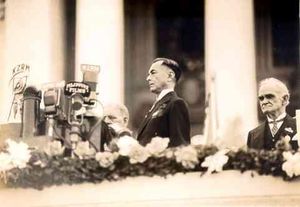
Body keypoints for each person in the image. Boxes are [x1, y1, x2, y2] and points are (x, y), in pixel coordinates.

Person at [137, 58, 190, 147]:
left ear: (170, 76)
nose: (148, 78)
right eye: (148, 74)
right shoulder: (155, 106)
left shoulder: (176, 103)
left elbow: (180, 146)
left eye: (153, 73)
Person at [247, 78, 298, 151]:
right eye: (261, 98)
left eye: (269, 96)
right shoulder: (253, 135)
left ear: (285, 99)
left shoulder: (298, 127)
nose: (264, 102)